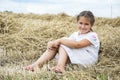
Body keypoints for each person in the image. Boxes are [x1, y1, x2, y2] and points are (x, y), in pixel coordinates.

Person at [24, 10, 100, 73]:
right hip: (76, 58)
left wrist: (59, 40)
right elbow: (67, 43)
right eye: (80, 23)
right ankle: (36, 65)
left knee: (63, 43)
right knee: (58, 45)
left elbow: (77, 45)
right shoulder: (75, 34)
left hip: (86, 61)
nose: (83, 26)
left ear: (91, 25)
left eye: (86, 24)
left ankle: (60, 67)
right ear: (77, 23)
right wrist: (52, 43)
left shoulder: (92, 36)